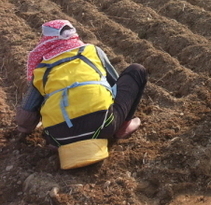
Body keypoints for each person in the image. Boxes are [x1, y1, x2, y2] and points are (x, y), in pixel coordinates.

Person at [15, 20, 147, 168]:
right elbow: (114, 84)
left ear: (45, 40)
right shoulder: (92, 51)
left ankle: (64, 140)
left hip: (57, 137)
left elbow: (26, 116)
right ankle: (122, 127)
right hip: (103, 126)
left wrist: (25, 129)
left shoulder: (40, 69)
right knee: (137, 70)